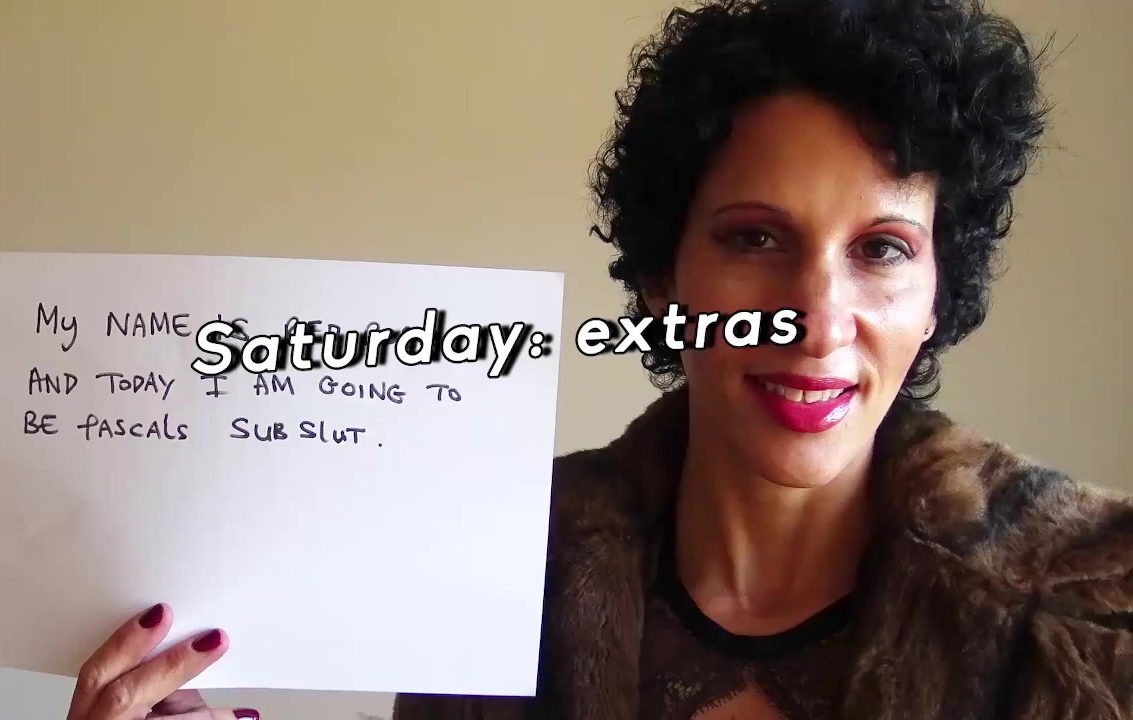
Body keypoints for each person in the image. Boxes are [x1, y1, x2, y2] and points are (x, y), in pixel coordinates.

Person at [62, 1, 1133, 719]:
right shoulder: (488, 577)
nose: (815, 319)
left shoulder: (1095, 615)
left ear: (937, 289)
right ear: (664, 277)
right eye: (754, 238)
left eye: (881, 250)